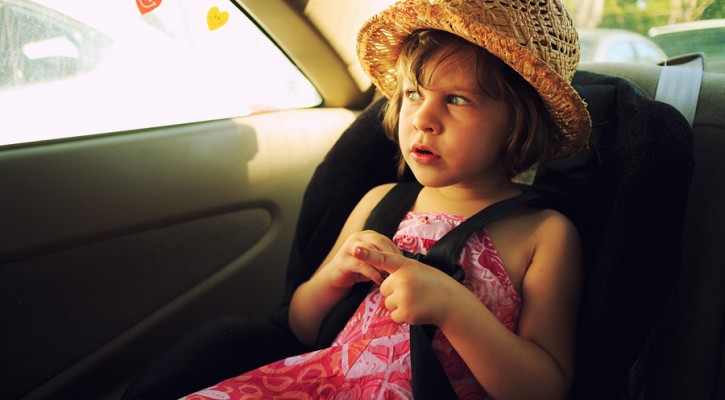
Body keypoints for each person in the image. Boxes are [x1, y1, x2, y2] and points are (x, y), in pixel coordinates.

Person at [127, 0, 591, 398]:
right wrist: (335, 275)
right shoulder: (382, 203)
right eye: (413, 93)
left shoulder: (543, 235)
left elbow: (545, 387)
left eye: (457, 100)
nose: (423, 118)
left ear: (519, 124)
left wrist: (454, 308)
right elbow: (303, 328)